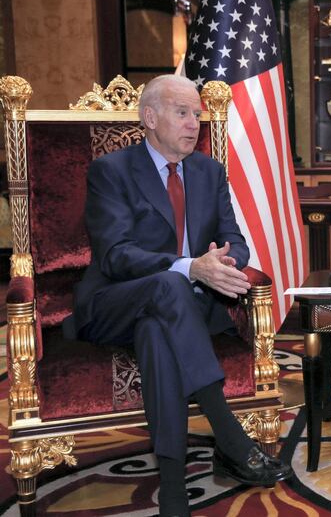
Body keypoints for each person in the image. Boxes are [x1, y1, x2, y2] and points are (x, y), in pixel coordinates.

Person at [63, 74, 293, 516]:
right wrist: (190, 267)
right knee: (169, 283)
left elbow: (235, 240)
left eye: (197, 114)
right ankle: (229, 435)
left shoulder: (209, 171)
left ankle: (172, 491)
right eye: (183, 112)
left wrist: (222, 261)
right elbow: (114, 255)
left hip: (184, 312)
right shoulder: (110, 171)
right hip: (115, 302)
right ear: (150, 117)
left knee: (156, 334)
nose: (195, 123)